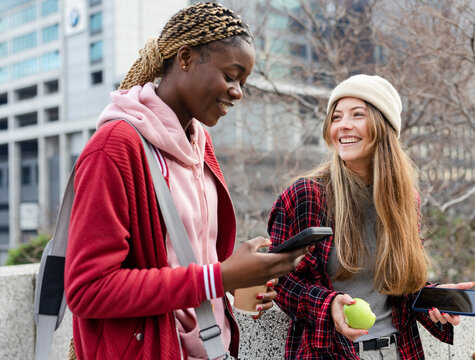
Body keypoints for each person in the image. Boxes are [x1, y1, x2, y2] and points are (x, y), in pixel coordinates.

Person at [64, 3, 307, 360]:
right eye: (231, 75)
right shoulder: (115, 147)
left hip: (213, 349)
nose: (238, 91)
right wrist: (217, 277)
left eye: (243, 82)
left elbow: (192, 260)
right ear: (186, 58)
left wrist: (234, 283)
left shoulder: (199, 143)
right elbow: (89, 290)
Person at [268, 74, 475, 359]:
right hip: (330, 352)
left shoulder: (404, 200)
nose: (343, 125)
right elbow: (277, 279)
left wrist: (434, 299)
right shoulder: (307, 194)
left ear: (383, 127)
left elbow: (399, 287)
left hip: (398, 351)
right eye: (336, 116)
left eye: (357, 115)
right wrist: (328, 305)